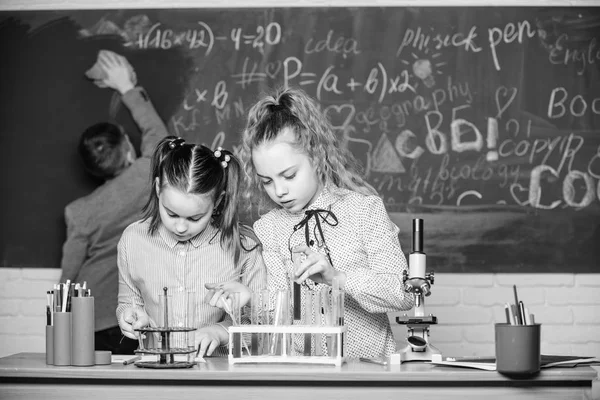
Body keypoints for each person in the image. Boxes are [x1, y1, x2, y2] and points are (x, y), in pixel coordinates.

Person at [229, 86, 413, 358]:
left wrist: (336, 278)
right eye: (267, 181)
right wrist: (250, 299)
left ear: (316, 156)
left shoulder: (364, 210)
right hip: (301, 375)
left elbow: (402, 293)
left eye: (289, 175)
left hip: (367, 373)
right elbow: (281, 311)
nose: (279, 191)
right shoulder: (268, 228)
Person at [116, 137, 267, 357]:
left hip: (219, 375)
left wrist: (220, 331)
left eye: (195, 218)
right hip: (157, 370)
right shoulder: (133, 239)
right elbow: (128, 300)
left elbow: (263, 326)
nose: (180, 227)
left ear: (217, 202)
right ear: (158, 188)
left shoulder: (243, 247)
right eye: (171, 213)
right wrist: (129, 315)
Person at [60, 51, 168, 354]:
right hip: (135, 312)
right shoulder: (148, 172)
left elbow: (68, 276)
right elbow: (158, 134)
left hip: (88, 318)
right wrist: (126, 88)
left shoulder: (78, 212)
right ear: (127, 147)